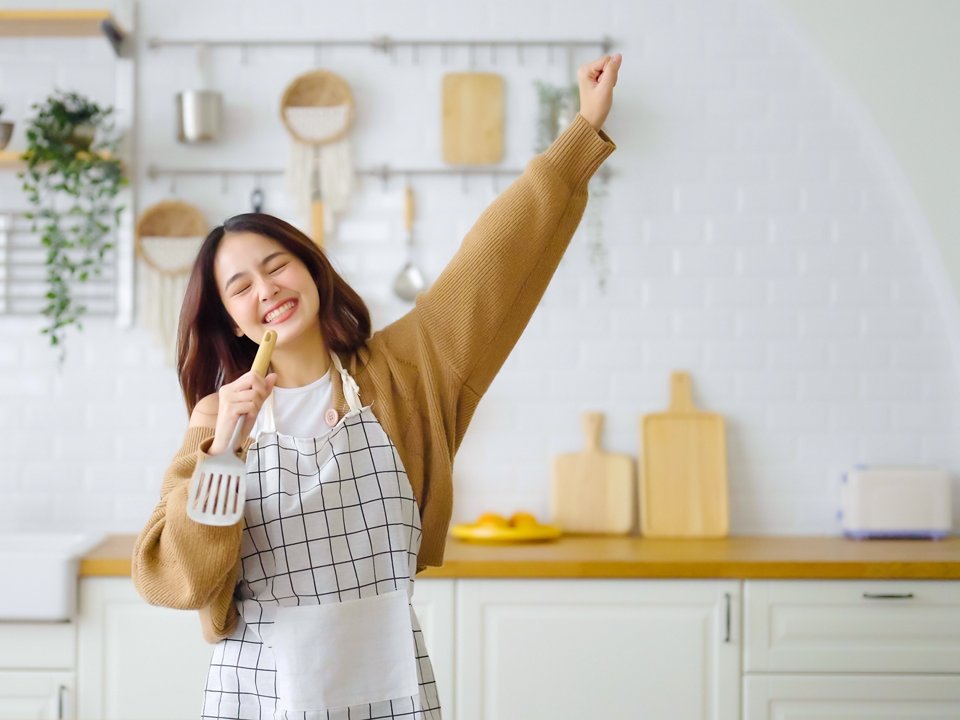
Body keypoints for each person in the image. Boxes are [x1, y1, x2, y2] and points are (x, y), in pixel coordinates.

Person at [133, 52, 622, 719]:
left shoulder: (407, 372)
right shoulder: (217, 421)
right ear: (229, 320)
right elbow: (173, 579)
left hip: (386, 688)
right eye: (240, 286)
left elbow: (495, 262)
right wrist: (221, 452)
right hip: (258, 694)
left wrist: (580, 133)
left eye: (276, 265)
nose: (266, 289)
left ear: (312, 269)